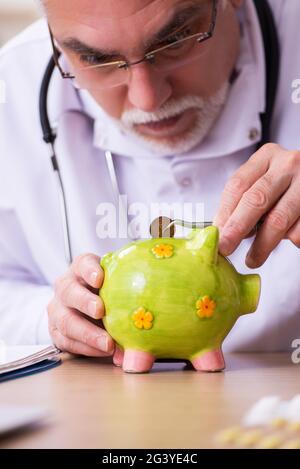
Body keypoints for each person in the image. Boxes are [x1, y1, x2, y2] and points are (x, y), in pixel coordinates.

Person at [0, 0, 299, 371]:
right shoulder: (11, 85)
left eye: (175, 40)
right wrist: (55, 320)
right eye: (95, 59)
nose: (148, 100)